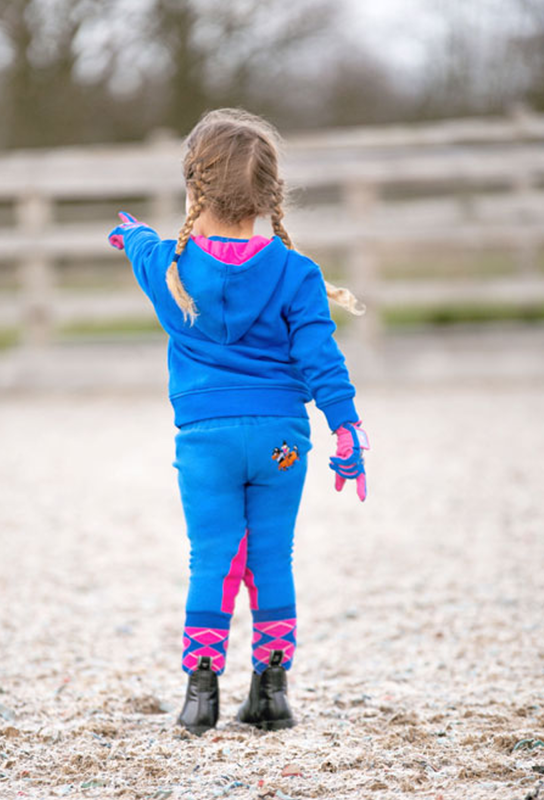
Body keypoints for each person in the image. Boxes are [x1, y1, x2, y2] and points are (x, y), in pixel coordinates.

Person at [108, 108, 369, 735]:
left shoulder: (170, 267)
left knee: (214, 558)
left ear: (194, 190)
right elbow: (320, 356)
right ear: (270, 195)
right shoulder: (297, 274)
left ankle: (201, 695)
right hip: (282, 444)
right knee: (272, 556)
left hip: (207, 445)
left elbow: (142, 245)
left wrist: (132, 234)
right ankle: (272, 692)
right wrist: (346, 427)